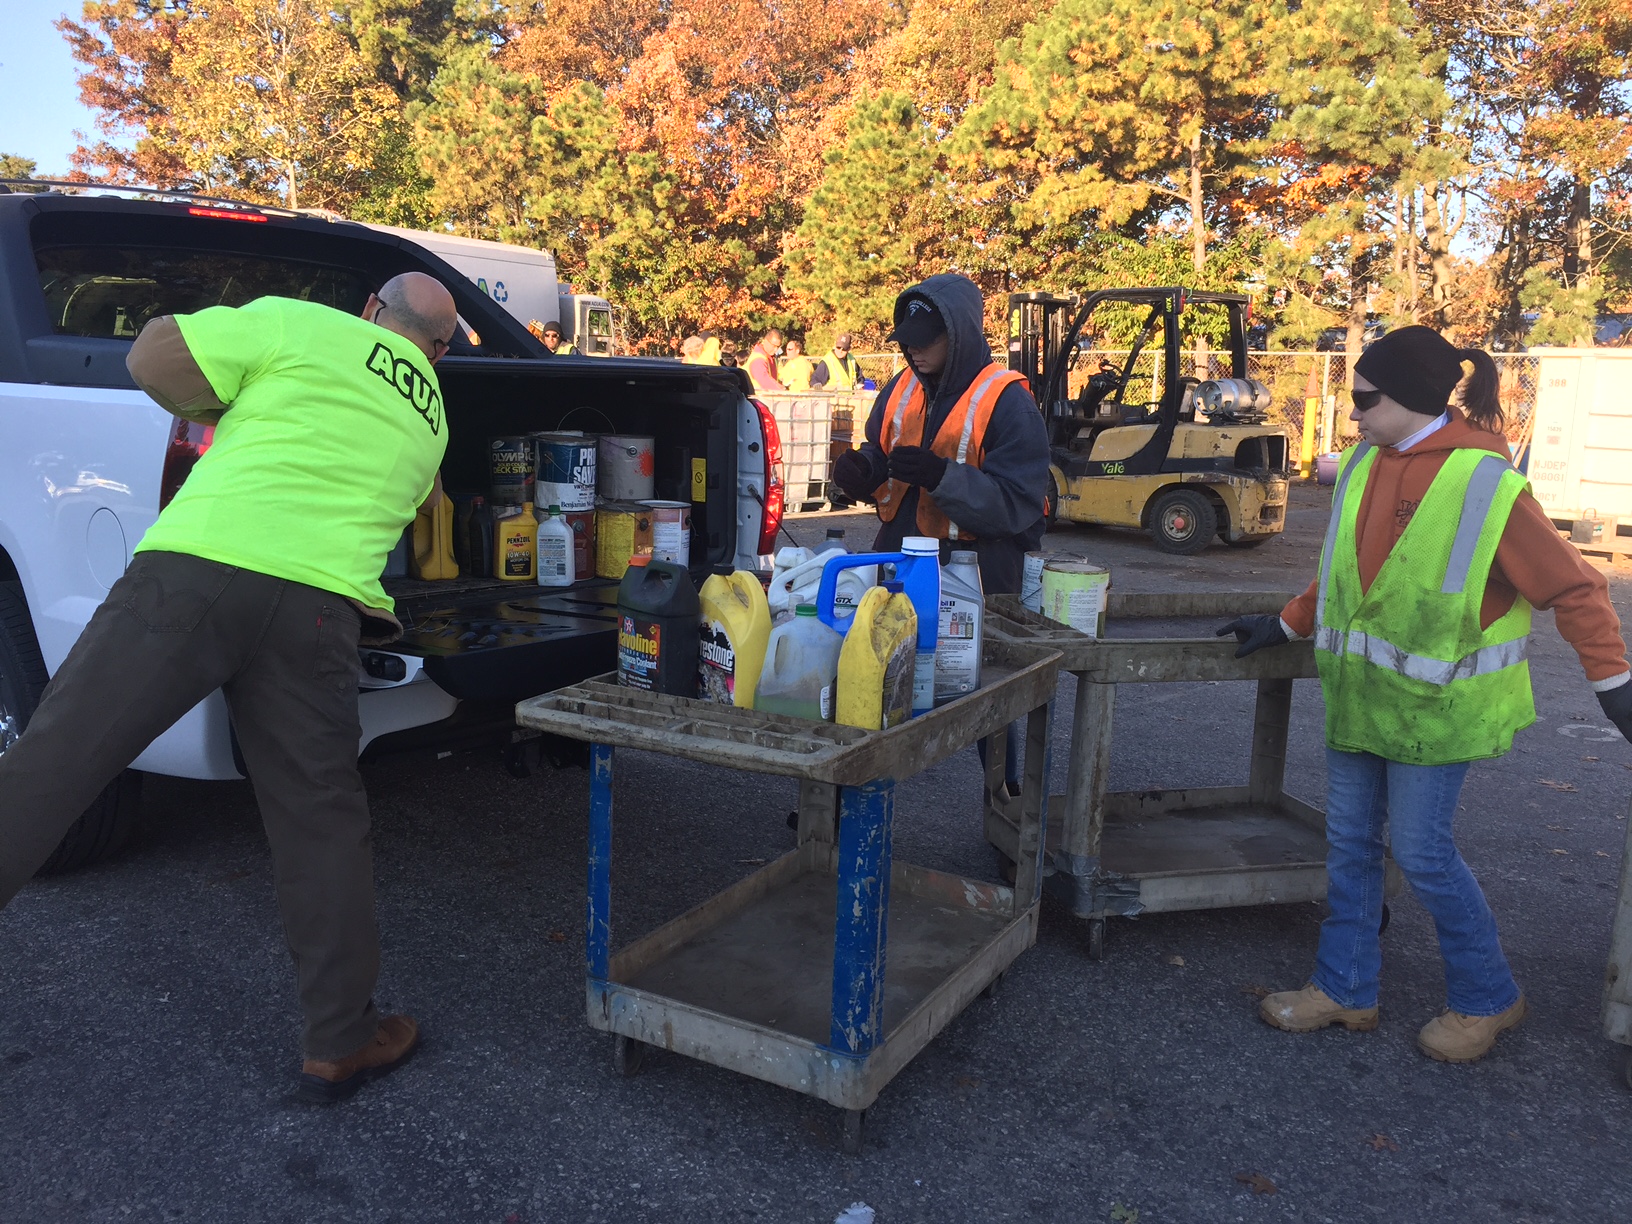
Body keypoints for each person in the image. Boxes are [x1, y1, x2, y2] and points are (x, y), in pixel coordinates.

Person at [0, 272, 461, 1101]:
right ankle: (341, 1040)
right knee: (320, 821)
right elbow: (422, 515)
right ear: (437, 348)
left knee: (55, 763)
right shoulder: (431, 413)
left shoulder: (300, 322)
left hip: (195, 575)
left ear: (369, 311)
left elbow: (155, 356)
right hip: (320, 617)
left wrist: (232, 412)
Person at [1219, 325, 1631, 1064]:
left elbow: (1576, 584)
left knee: (1421, 851)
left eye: (1365, 402)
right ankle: (1344, 988)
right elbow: (1346, 575)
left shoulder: (1483, 484)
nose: (1354, 416)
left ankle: (1489, 998)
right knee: (1348, 845)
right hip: (1362, 702)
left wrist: (1614, 684)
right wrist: (1283, 624)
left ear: (1409, 399)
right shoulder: (1363, 466)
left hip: (1436, 715)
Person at [829, 273, 1050, 594]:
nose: (913, 348)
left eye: (926, 339)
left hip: (976, 578)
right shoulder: (900, 387)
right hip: (898, 565)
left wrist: (941, 477)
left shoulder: (1008, 401)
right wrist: (865, 472)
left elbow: (1015, 504)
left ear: (960, 336)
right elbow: (880, 453)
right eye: (907, 339)